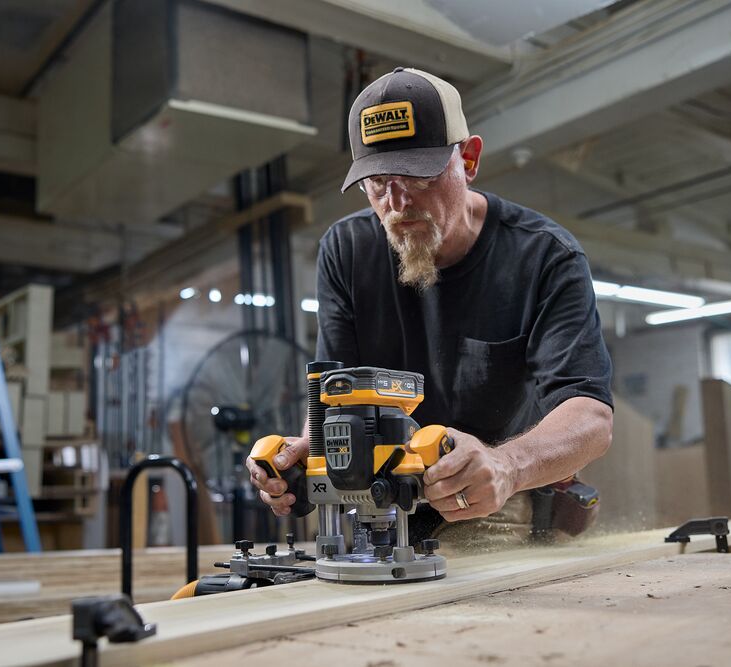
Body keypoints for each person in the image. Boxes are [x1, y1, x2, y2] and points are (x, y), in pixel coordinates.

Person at [246, 67, 614, 549]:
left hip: (490, 500)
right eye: (378, 183)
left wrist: (506, 466)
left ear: (469, 158)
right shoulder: (347, 249)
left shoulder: (544, 256)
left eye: (417, 176)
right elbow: (334, 396)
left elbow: (590, 416)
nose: (397, 204)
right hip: (376, 505)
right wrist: (309, 454)